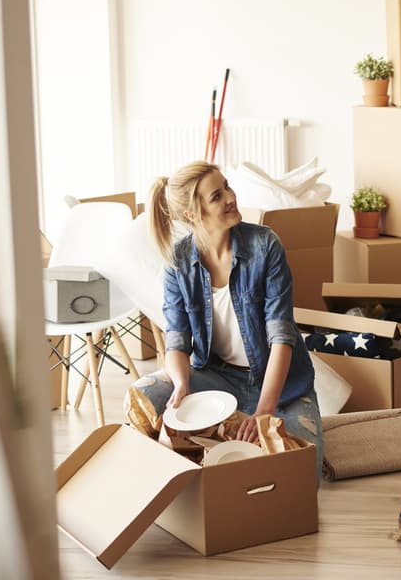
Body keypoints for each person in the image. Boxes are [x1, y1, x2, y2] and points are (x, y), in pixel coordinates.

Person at [126, 160, 324, 481]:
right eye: (216, 196)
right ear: (193, 215)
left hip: (282, 386)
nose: (231, 197)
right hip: (217, 379)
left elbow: (281, 337)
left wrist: (263, 411)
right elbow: (177, 338)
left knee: (301, 473)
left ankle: (233, 431)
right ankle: (176, 466)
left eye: (227, 187)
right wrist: (181, 385)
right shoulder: (179, 261)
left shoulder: (265, 246)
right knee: (145, 393)